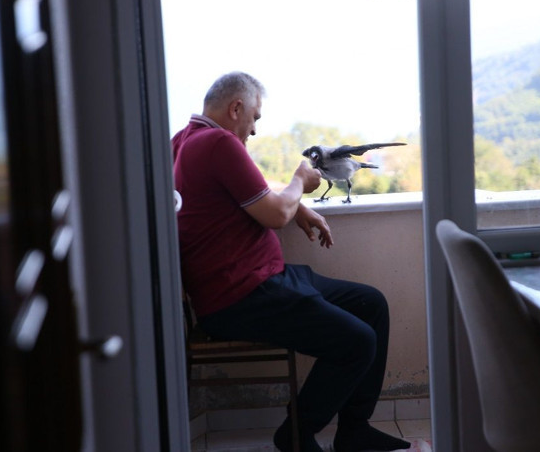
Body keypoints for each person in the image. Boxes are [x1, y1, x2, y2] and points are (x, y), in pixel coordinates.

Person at [171, 71, 410, 452]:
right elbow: (274, 215)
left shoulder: (185, 139)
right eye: (255, 118)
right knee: (357, 342)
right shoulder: (219, 142)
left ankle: (354, 430)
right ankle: (297, 434)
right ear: (236, 108)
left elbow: (251, 193)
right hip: (244, 293)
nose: (254, 130)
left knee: (371, 305)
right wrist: (299, 183)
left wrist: (292, 205)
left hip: (267, 278)